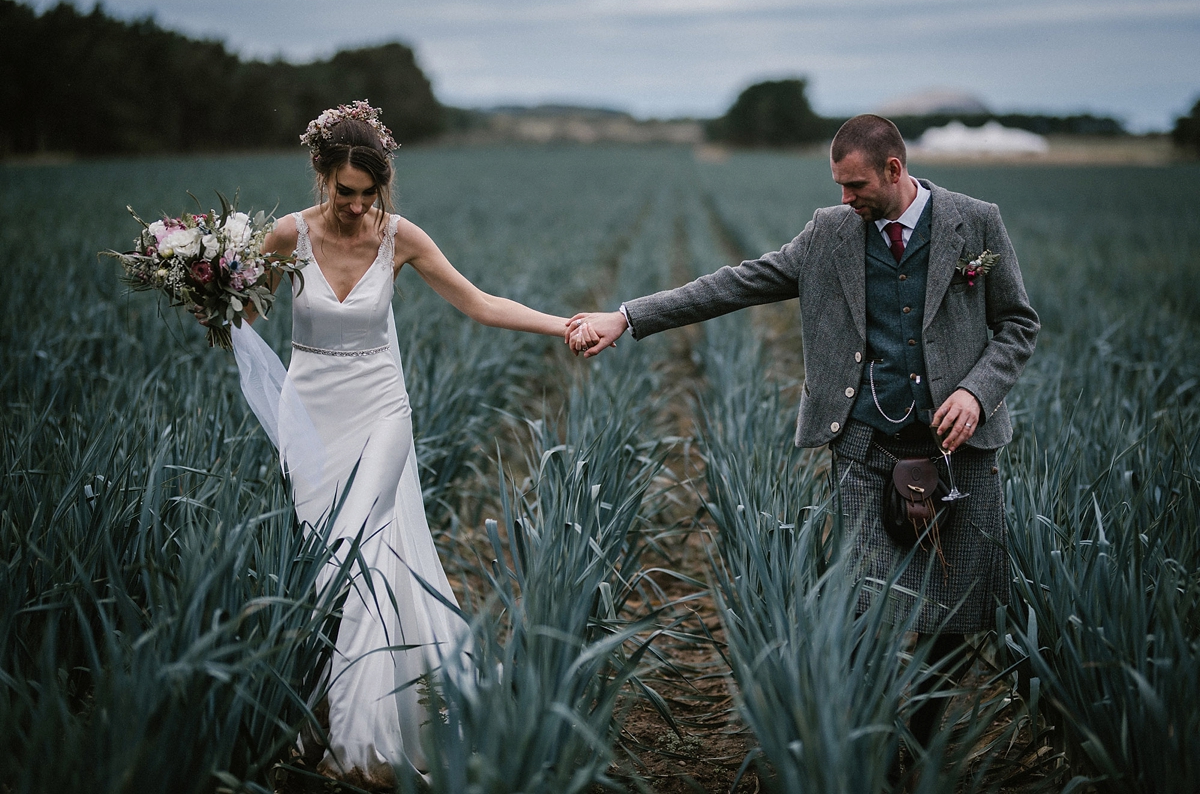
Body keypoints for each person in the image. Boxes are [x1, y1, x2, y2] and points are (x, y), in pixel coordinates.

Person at [567, 114, 1039, 752]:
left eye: (856, 185)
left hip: (961, 452)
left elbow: (1017, 324)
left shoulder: (975, 222)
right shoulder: (830, 233)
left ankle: (917, 748)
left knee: (953, 619)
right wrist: (627, 316)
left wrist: (975, 393)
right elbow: (735, 283)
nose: (845, 198)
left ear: (894, 170)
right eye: (839, 185)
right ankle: (860, 741)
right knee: (868, 610)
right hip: (866, 449)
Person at [216, 102, 597, 787]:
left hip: (381, 412)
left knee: (356, 548)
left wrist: (561, 325)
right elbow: (248, 312)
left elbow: (478, 302)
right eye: (346, 192)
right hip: (309, 415)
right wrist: (209, 290)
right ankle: (320, 710)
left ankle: (365, 742)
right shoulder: (285, 235)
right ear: (322, 177)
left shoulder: (400, 238)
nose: (358, 207)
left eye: (370, 194)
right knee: (322, 565)